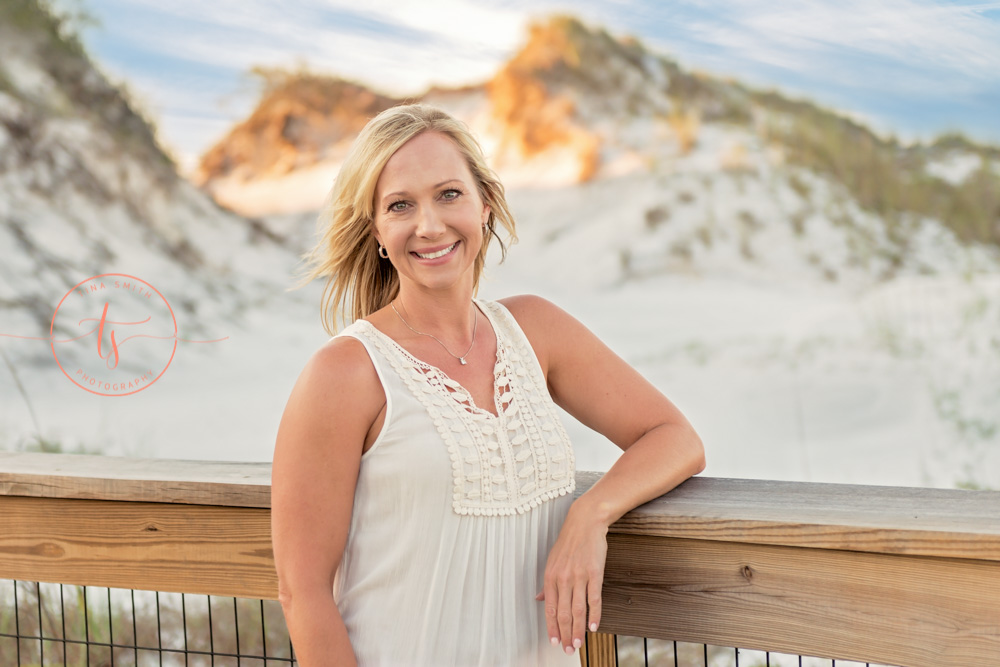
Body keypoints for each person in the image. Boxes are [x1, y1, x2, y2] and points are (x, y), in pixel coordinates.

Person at [271, 103, 706, 666]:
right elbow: (301, 593)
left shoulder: (536, 329)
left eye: (449, 194)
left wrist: (590, 515)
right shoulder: (346, 373)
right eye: (400, 205)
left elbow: (675, 437)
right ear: (377, 231)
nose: (429, 225)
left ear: (485, 205)